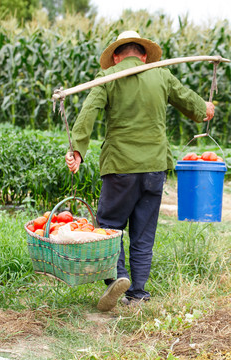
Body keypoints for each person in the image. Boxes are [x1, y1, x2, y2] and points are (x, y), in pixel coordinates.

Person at [65, 31, 215, 312]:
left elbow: (88, 113)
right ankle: (138, 293)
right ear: (143, 55)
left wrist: (77, 150)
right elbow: (191, 103)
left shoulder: (108, 77)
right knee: (144, 233)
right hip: (154, 167)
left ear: (117, 56)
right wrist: (204, 109)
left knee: (110, 226)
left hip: (120, 166)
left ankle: (117, 278)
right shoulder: (159, 74)